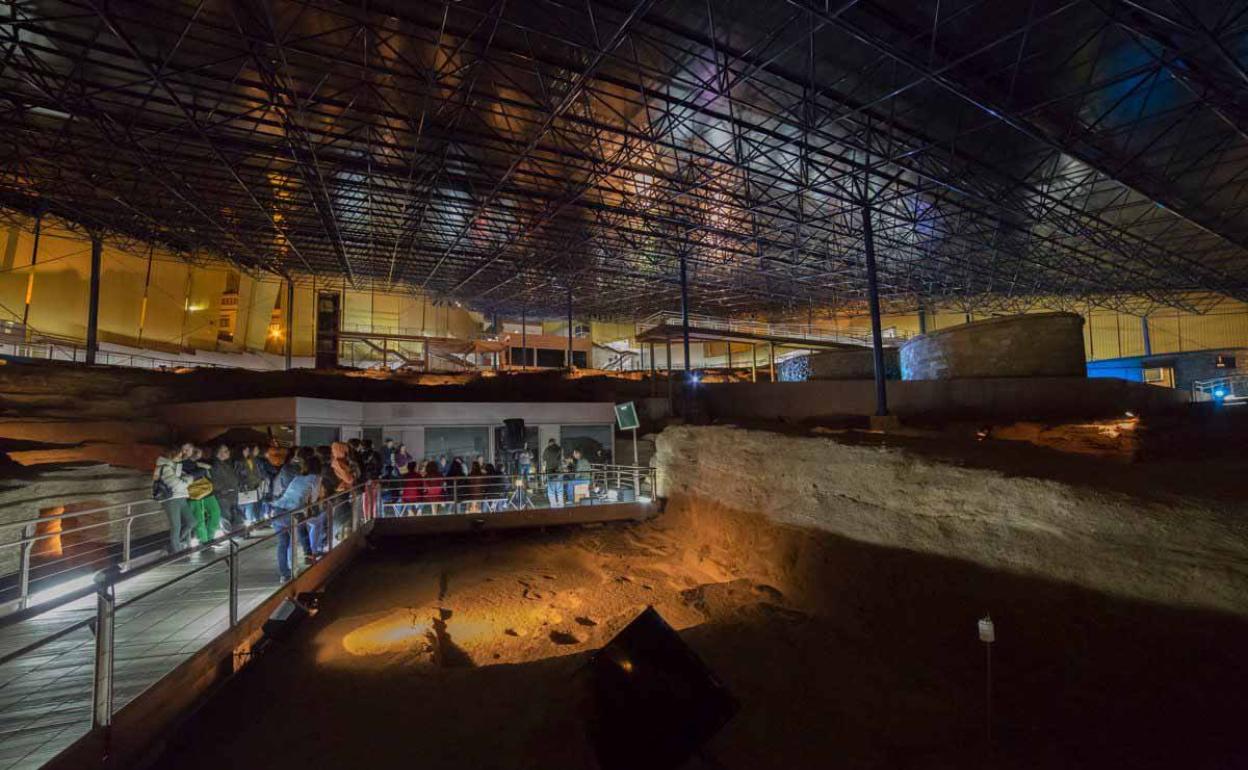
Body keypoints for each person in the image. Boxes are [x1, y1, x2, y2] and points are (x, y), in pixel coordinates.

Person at [269, 455, 321, 582]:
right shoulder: (316, 478)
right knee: (300, 531)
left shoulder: (297, 477)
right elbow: (314, 499)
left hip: (277, 510)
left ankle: (284, 574)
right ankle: (308, 555)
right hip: (292, 512)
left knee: (283, 543)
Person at [154, 445, 195, 553]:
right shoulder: (164, 467)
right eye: (178, 455)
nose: (180, 457)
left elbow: (182, 480)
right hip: (170, 499)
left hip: (181, 497)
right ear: (171, 455)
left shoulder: (174, 466)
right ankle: (177, 553)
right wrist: (189, 479)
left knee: (192, 522)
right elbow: (176, 485)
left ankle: (173, 544)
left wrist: (185, 480)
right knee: (175, 527)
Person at [184, 447, 222, 545]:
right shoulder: (182, 462)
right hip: (193, 493)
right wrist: (203, 468)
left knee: (215, 513)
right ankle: (204, 541)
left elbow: (215, 468)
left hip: (207, 490)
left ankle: (210, 538)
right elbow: (190, 474)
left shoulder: (201, 461)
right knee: (198, 519)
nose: (197, 453)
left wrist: (202, 467)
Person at [210, 445, 243, 533]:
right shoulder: (215, 465)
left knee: (234, 514)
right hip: (223, 495)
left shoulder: (226, 463)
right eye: (225, 451)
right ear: (218, 453)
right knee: (226, 517)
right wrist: (225, 489)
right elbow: (215, 481)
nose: (228, 452)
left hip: (231, 493)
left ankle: (237, 533)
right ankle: (230, 536)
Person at [235, 446, 267, 526]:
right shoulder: (238, 462)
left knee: (251, 507)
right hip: (245, 488)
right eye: (245, 450)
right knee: (246, 507)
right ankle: (246, 525)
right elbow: (238, 475)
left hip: (253, 486)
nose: (247, 451)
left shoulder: (251, 460)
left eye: (248, 450)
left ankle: (250, 523)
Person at [543, 438, 564, 507]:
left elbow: (544, 461)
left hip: (550, 471)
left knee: (551, 490)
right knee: (559, 489)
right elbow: (562, 459)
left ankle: (553, 504)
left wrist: (544, 472)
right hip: (559, 471)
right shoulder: (560, 449)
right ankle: (561, 504)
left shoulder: (547, 449)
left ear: (549, 443)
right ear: (555, 442)